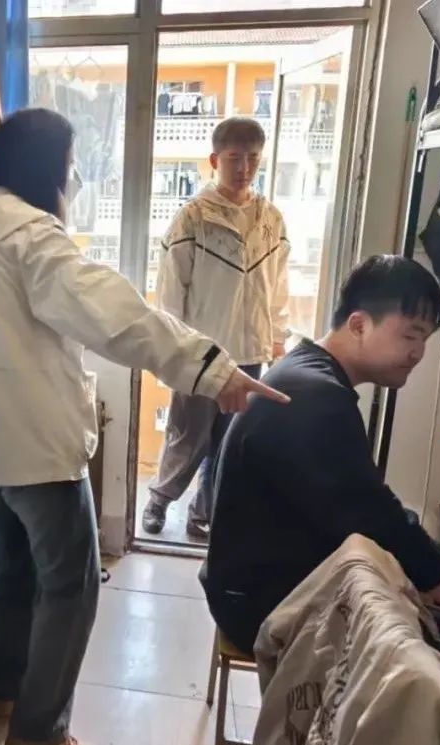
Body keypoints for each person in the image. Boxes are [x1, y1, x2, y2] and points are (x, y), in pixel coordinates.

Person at [0, 108, 289, 745]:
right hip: (39, 450)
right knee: (70, 589)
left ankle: (5, 695)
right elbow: (120, 317)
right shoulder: (33, 241)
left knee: (5, 564)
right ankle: (40, 733)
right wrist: (215, 370)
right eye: (71, 165)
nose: (74, 178)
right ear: (49, 169)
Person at [201, 256, 440, 730]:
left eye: (425, 339)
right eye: (410, 335)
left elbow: (369, 508)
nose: (418, 353)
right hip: (259, 603)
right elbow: (384, 526)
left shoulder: (307, 374)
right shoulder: (315, 398)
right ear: (359, 324)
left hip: (256, 580)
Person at [143, 117, 290, 540]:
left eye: (253, 159)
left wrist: (276, 337)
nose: (244, 168)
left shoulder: (270, 219)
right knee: (189, 434)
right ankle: (159, 500)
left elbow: (278, 284)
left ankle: (202, 514)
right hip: (200, 351)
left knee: (230, 441)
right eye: (234, 158)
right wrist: (173, 348)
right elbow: (171, 290)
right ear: (214, 160)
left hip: (249, 351)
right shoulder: (192, 218)